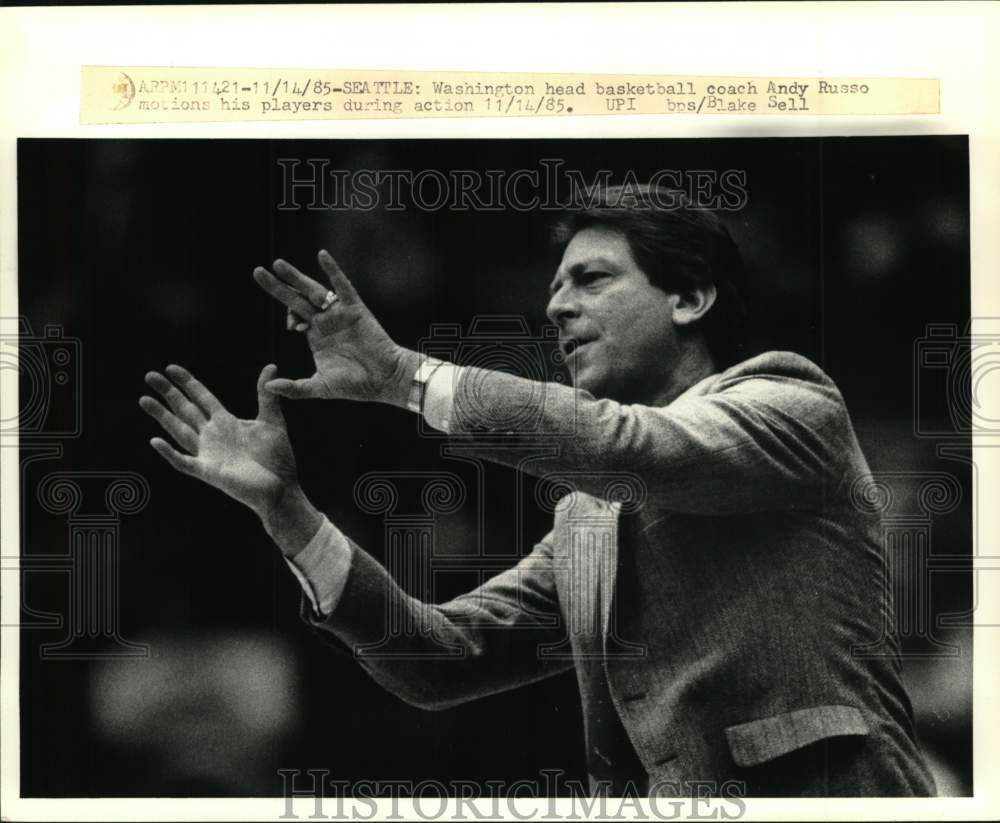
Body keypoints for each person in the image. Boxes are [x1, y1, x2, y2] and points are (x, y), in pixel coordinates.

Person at [139, 185, 936, 797]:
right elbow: (438, 659)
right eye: (556, 286)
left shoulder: (793, 404)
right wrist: (288, 512)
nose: (556, 306)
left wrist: (401, 376)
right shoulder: (586, 519)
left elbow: (625, 445)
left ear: (690, 297)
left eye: (591, 279)